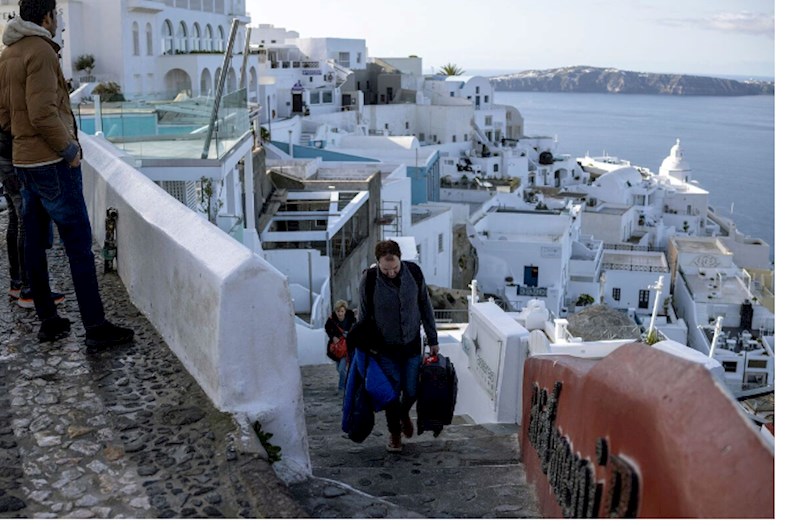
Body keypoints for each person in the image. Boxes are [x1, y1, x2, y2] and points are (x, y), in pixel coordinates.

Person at [0, 0, 133, 348]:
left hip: (23, 161)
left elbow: (3, 113)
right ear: (47, 16)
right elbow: (43, 112)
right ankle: (95, 327)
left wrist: (20, 140)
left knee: (33, 241)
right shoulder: (41, 50)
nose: (58, 22)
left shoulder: (8, 52)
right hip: (50, 163)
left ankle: (49, 320)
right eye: (56, 16)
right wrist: (70, 150)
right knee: (78, 246)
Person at [358, 239, 439, 453]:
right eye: (386, 269)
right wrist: (363, 348)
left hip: (412, 345)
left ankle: (404, 414)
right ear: (378, 263)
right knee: (391, 394)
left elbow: (425, 305)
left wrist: (433, 339)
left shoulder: (414, 272)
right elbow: (363, 316)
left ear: (400, 260)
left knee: (412, 390)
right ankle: (394, 433)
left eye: (394, 268)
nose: (391, 273)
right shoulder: (369, 279)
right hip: (384, 349)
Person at [324, 299, 356, 393]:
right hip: (337, 348)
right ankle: (348, 383)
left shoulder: (351, 318)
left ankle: (342, 387)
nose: (340, 314)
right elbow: (327, 328)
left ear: (345, 311)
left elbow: (355, 328)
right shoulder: (331, 320)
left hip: (347, 347)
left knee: (342, 369)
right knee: (339, 368)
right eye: (338, 311)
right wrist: (333, 336)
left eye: (342, 311)